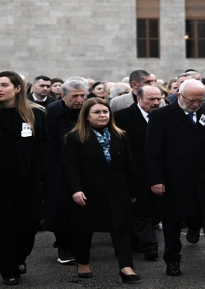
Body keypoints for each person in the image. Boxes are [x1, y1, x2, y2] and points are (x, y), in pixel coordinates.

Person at [146, 79, 205, 279]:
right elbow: (153, 151)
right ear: (179, 96)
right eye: (192, 100)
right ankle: (172, 260)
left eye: (200, 100)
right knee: (171, 224)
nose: (196, 104)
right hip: (174, 180)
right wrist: (156, 180)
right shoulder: (161, 116)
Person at [0, 71, 49, 285]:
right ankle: (7, 269)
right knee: (0, 228)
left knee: (28, 227)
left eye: (4, 85)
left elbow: (44, 146)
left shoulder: (36, 113)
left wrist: (39, 174)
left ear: (17, 88)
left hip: (27, 181)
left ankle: (19, 257)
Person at [63, 98, 140, 283]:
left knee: (121, 228)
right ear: (87, 116)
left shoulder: (120, 135)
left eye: (105, 112)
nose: (102, 115)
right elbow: (70, 167)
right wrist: (76, 190)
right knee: (84, 229)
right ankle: (82, 263)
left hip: (117, 189)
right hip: (88, 190)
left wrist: (133, 190)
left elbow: (129, 164)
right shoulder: (75, 137)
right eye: (97, 112)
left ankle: (126, 267)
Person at [114, 85, 162, 262]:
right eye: (151, 99)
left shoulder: (164, 115)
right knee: (140, 210)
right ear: (138, 99)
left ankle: (137, 242)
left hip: (158, 170)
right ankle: (150, 247)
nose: (156, 103)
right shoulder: (122, 117)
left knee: (152, 210)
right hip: (134, 170)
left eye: (159, 98)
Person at [44, 77, 89, 264]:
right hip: (57, 167)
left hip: (84, 166)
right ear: (62, 95)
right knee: (60, 208)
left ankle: (80, 245)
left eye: (82, 95)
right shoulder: (49, 113)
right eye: (75, 96)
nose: (79, 99)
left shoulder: (88, 110)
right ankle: (64, 246)